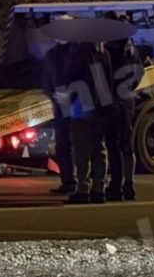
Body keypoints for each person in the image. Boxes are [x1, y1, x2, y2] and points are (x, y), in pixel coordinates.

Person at [60, 40, 113, 204]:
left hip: (82, 106)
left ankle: (83, 188)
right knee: (99, 148)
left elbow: (71, 78)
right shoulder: (104, 53)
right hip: (100, 106)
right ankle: (99, 189)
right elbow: (108, 80)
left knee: (81, 149)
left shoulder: (79, 54)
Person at [103, 14, 145, 201]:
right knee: (126, 146)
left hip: (113, 101)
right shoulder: (131, 48)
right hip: (127, 100)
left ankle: (116, 186)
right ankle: (129, 185)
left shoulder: (110, 49)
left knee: (113, 145)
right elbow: (140, 71)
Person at [41, 30, 76, 195]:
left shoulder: (78, 52)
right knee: (63, 145)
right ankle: (69, 180)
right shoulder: (52, 55)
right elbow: (47, 79)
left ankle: (79, 181)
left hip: (76, 105)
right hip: (63, 106)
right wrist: (54, 96)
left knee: (78, 145)